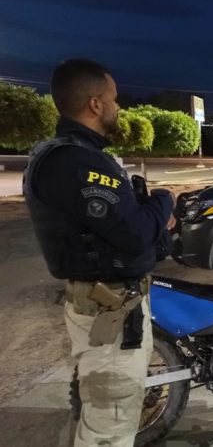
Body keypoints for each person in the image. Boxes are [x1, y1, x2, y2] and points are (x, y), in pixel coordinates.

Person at [23, 58, 176, 446]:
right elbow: (134, 234)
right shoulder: (77, 162)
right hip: (110, 316)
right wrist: (164, 201)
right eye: (114, 98)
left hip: (108, 311)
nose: (118, 107)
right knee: (108, 430)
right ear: (95, 104)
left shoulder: (67, 155)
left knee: (108, 419)